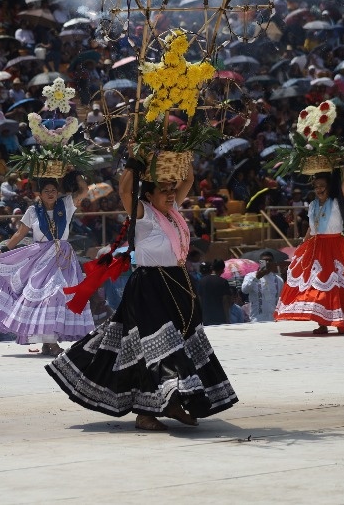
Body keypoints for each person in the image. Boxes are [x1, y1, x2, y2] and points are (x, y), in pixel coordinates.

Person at [46, 157, 238, 431]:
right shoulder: (144, 214)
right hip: (150, 287)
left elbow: (189, 181)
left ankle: (159, 408)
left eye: (173, 190)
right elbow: (125, 192)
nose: (172, 194)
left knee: (162, 346)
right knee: (159, 347)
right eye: (165, 190)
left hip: (178, 284)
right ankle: (160, 406)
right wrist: (133, 166)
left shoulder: (173, 211)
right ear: (149, 194)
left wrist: (185, 156)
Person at [0, 172, 94, 355]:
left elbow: (84, 191)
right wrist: (4, 250)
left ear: (58, 192)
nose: (50, 193)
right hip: (41, 259)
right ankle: (49, 343)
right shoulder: (32, 211)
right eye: (46, 190)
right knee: (49, 296)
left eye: (53, 190)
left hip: (63, 258)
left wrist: (75, 172)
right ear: (40, 193)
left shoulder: (66, 204)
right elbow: (19, 234)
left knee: (60, 294)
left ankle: (48, 342)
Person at [274, 169, 344, 333]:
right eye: (316, 186)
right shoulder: (313, 205)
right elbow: (311, 228)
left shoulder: (336, 201)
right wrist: (303, 244)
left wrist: (339, 162)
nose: (319, 189)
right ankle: (322, 323)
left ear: (330, 188)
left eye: (322, 186)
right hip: (317, 247)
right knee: (318, 283)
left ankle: (342, 322)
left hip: (335, 246)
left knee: (336, 284)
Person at [241, 251, 285, 322]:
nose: (267, 262)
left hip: (273, 320)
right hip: (257, 320)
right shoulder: (250, 276)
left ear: (273, 263)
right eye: (264, 260)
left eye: (270, 260)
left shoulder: (278, 280)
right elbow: (244, 290)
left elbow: (281, 301)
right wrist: (256, 278)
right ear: (260, 263)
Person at [198, 259, 230, 326]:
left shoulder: (202, 281)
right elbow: (225, 301)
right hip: (220, 318)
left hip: (206, 318)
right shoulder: (223, 282)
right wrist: (227, 319)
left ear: (212, 268)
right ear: (222, 270)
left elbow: (200, 300)